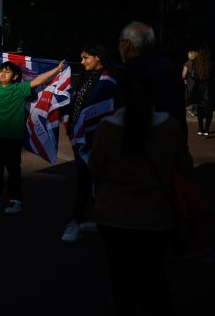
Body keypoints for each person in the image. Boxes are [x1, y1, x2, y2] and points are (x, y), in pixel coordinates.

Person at [88, 66, 192, 315]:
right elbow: (185, 168)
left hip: (112, 216)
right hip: (157, 216)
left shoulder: (107, 127)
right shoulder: (170, 127)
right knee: (154, 278)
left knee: (120, 279)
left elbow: (95, 171)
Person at [0, 49, 65, 214]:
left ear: (15, 77)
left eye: (7, 72)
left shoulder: (19, 89)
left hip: (13, 137)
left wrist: (57, 69)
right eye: (1, 71)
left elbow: (38, 80)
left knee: (13, 168)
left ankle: (15, 199)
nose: (3, 74)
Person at [61, 44, 118, 243]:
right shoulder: (84, 78)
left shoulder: (108, 80)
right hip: (80, 137)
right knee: (90, 180)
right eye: (82, 58)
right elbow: (73, 100)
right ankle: (101, 218)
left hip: (96, 139)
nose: (83, 61)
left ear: (98, 57)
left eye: (86, 57)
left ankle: (75, 221)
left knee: (86, 180)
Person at [117, 21, 187, 133]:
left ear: (127, 44)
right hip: (169, 141)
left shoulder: (130, 73)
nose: (118, 48)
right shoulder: (169, 70)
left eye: (120, 42)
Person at [192, 46, 213, 137]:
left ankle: (200, 128)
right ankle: (207, 130)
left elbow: (194, 77)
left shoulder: (196, 64)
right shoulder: (211, 65)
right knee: (209, 111)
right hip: (209, 89)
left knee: (200, 110)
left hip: (199, 90)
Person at [182, 48, 198, 117]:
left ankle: (186, 109)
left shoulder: (187, 63)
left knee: (187, 95)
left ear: (192, 54)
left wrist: (184, 79)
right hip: (198, 83)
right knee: (197, 96)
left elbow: (183, 75)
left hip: (190, 83)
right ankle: (195, 110)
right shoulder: (199, 62)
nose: (187, 54)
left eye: (189, 53)